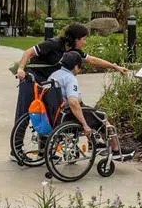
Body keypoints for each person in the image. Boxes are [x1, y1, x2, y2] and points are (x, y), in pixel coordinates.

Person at [11, 22, 129, 155]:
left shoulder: (73, 51)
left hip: (47, 82)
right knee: (24, 112)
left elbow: (92, 60)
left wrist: (115, 67)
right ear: (76, 39)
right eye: (83, 39)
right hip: (31, 78)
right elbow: (29, 52)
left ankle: (45, 151)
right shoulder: (54, 44)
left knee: (48, 115)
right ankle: (16, 150)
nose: (85, 42)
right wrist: (21, 69)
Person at [50, 51, 133, 159]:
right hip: (69, 114)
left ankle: (94, 143)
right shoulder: (70, 79)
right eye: (80, 67)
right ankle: (116, 149)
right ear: (76, 66)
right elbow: (73, 102)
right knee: (102, 118)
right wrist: (84, 125)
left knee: (92, 112)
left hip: (55, 114)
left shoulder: (54, 75)